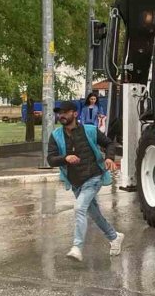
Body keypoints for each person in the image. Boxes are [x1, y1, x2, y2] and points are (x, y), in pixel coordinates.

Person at [47, 100, 124, 261]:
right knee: (94, 214)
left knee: (79, 208)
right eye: (59, 113)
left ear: (75, 114)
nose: (61, 115)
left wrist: (109, 158)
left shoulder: (90, 130)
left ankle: (77, 247)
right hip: (75, 182)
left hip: (93, 177)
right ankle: (114, 236)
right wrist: (65, 158)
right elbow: (51, 159)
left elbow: (109, 144)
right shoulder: (55, 136)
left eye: (65, 112)